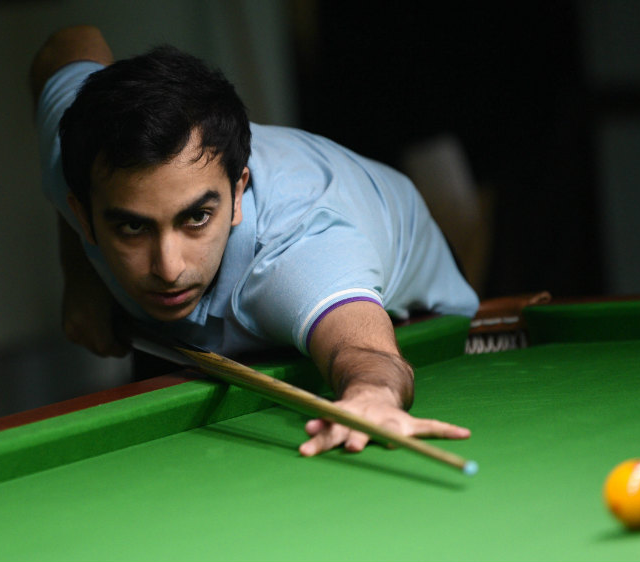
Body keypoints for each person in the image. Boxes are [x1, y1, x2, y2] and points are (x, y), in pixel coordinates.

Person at [30, 25, 480, 457]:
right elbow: (69, 42)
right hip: (195, 334)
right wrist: (80, 271)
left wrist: (371, 396)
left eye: (197, 218)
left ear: (237, 193)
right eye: (132, 228)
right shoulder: (75, 154)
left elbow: (364, 351)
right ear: (83, 213)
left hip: (411, 312)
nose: (168, 269)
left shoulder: (298, 253)